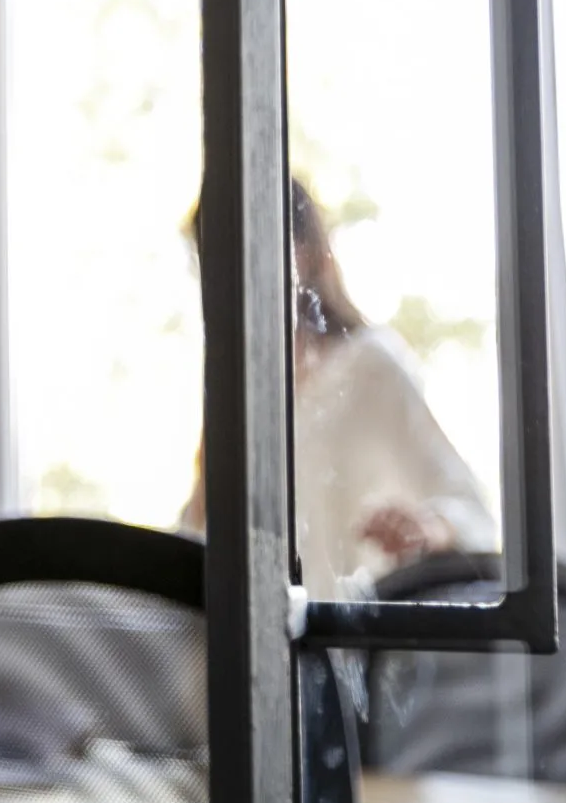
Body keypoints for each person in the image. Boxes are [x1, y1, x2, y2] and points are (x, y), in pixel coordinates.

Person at [182, 179, 496, 594]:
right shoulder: (235, 398)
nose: (234, 273)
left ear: (307, 251)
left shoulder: (369, 366)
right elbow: (195, 547)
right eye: (215, 257)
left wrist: (424, 528)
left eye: (252, 246)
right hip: (263, 652)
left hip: (361, 642)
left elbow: (471, 512)